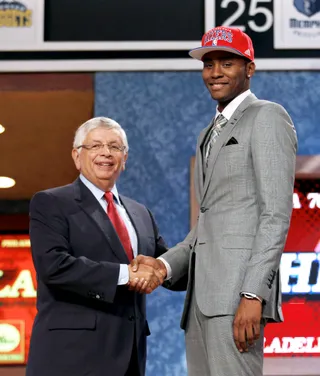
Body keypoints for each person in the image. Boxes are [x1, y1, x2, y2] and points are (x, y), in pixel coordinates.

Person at [131, 26, 298, 376]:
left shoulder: (267, 116)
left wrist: (254, 295)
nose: (216, 72)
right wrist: (164, 267)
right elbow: (206, 226)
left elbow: (275, 215)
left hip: (237, 297)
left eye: (227, 62)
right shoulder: (208, 133)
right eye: (209, 64)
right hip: (199, 304)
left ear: (249, 69)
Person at [26, 117, 167, 376]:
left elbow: (163, 264)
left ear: (125, 158)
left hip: (130, 358)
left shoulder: (141, 213)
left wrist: (168, 267)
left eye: (115, 147)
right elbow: (54, 267)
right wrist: (127, 275)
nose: (106, 153)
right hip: (70, 357)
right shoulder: (51, 203)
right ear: (77, 156)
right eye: (96, 146)